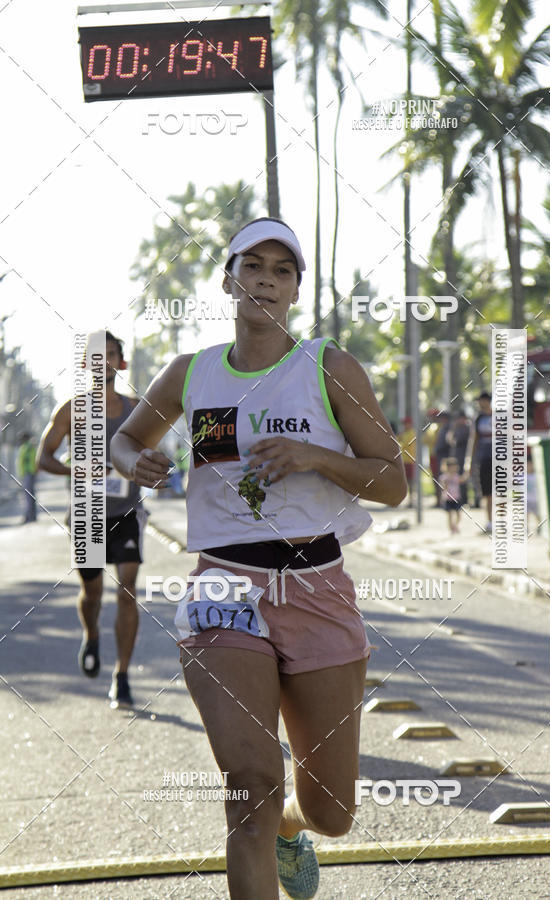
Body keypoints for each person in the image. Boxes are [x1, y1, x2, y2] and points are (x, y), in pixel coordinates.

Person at [110, 217, 407, 900]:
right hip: (223, 585)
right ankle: (266, 823)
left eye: (282, 270)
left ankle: (290, 830)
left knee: (332, 812)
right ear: (228, 280)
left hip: (316, 586)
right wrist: (135, 461)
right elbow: (125, 439)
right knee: (249, 789)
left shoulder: (328, 367)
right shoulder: (191, 372)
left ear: (296, 289)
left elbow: (392, 482)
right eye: (252, 266)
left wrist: (315, 457)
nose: (266, 281)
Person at [37, 331, 144, 708]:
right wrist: (77, 470)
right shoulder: (71, 409)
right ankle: (92, 634)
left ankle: (122, 676)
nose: (104, 361)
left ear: (120, 361)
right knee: (93, 592)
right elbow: (44, 458)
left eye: (111, 354)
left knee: (127, 588)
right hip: (86, 512)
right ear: (86, 364)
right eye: (97, 355)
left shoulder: (137, 410)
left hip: (126, 512)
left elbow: (152, 451)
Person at [465, 391, 493, 533]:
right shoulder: (478, 419)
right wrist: (469, 461)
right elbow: (473, 440)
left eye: (482, 400)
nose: (480, 404)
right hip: (484, 459)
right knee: (487, 493)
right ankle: (490, 521)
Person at [439, 457, 466, 534]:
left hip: (457, 498)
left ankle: (455, 525)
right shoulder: (444, 477)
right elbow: (443, 488)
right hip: (448, 498)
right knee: (450, 514)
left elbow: (463, 480)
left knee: (459, 514)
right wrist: (446, 482)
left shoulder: (456, 476)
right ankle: (451, 528)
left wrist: (467, 473)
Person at [16, 431, 38, 523]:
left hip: (28, 473)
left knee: (28, 496)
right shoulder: (27, 447)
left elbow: (27, 460)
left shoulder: (28, 447)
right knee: (30, 495)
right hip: (27, 473)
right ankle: (32, 516)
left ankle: (29, 516)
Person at [397, 417, 416, 506]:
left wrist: (399, 439)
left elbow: (404, 445)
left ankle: (411, 500)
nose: (404, 426)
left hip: (409, 460)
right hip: (404, 460)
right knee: (404, 481)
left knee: (410, 481)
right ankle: (404, 499)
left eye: (406, 424)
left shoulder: (411, 433)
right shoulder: (405, 433)